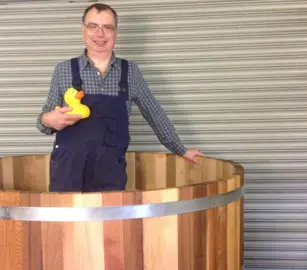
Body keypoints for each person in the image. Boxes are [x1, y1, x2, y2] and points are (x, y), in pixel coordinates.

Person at [37, 3, 203, 192]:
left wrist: (180, 149)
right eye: (93, 26)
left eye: (107, 27)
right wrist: (48, 119)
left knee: (109, 222)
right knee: (66, 222)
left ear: (116, 33)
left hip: (109, 174)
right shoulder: (63, 70)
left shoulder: (130, 72)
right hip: (67, 173)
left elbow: (155, 114)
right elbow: (43, 121)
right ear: (83, 30)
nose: (100, 34)